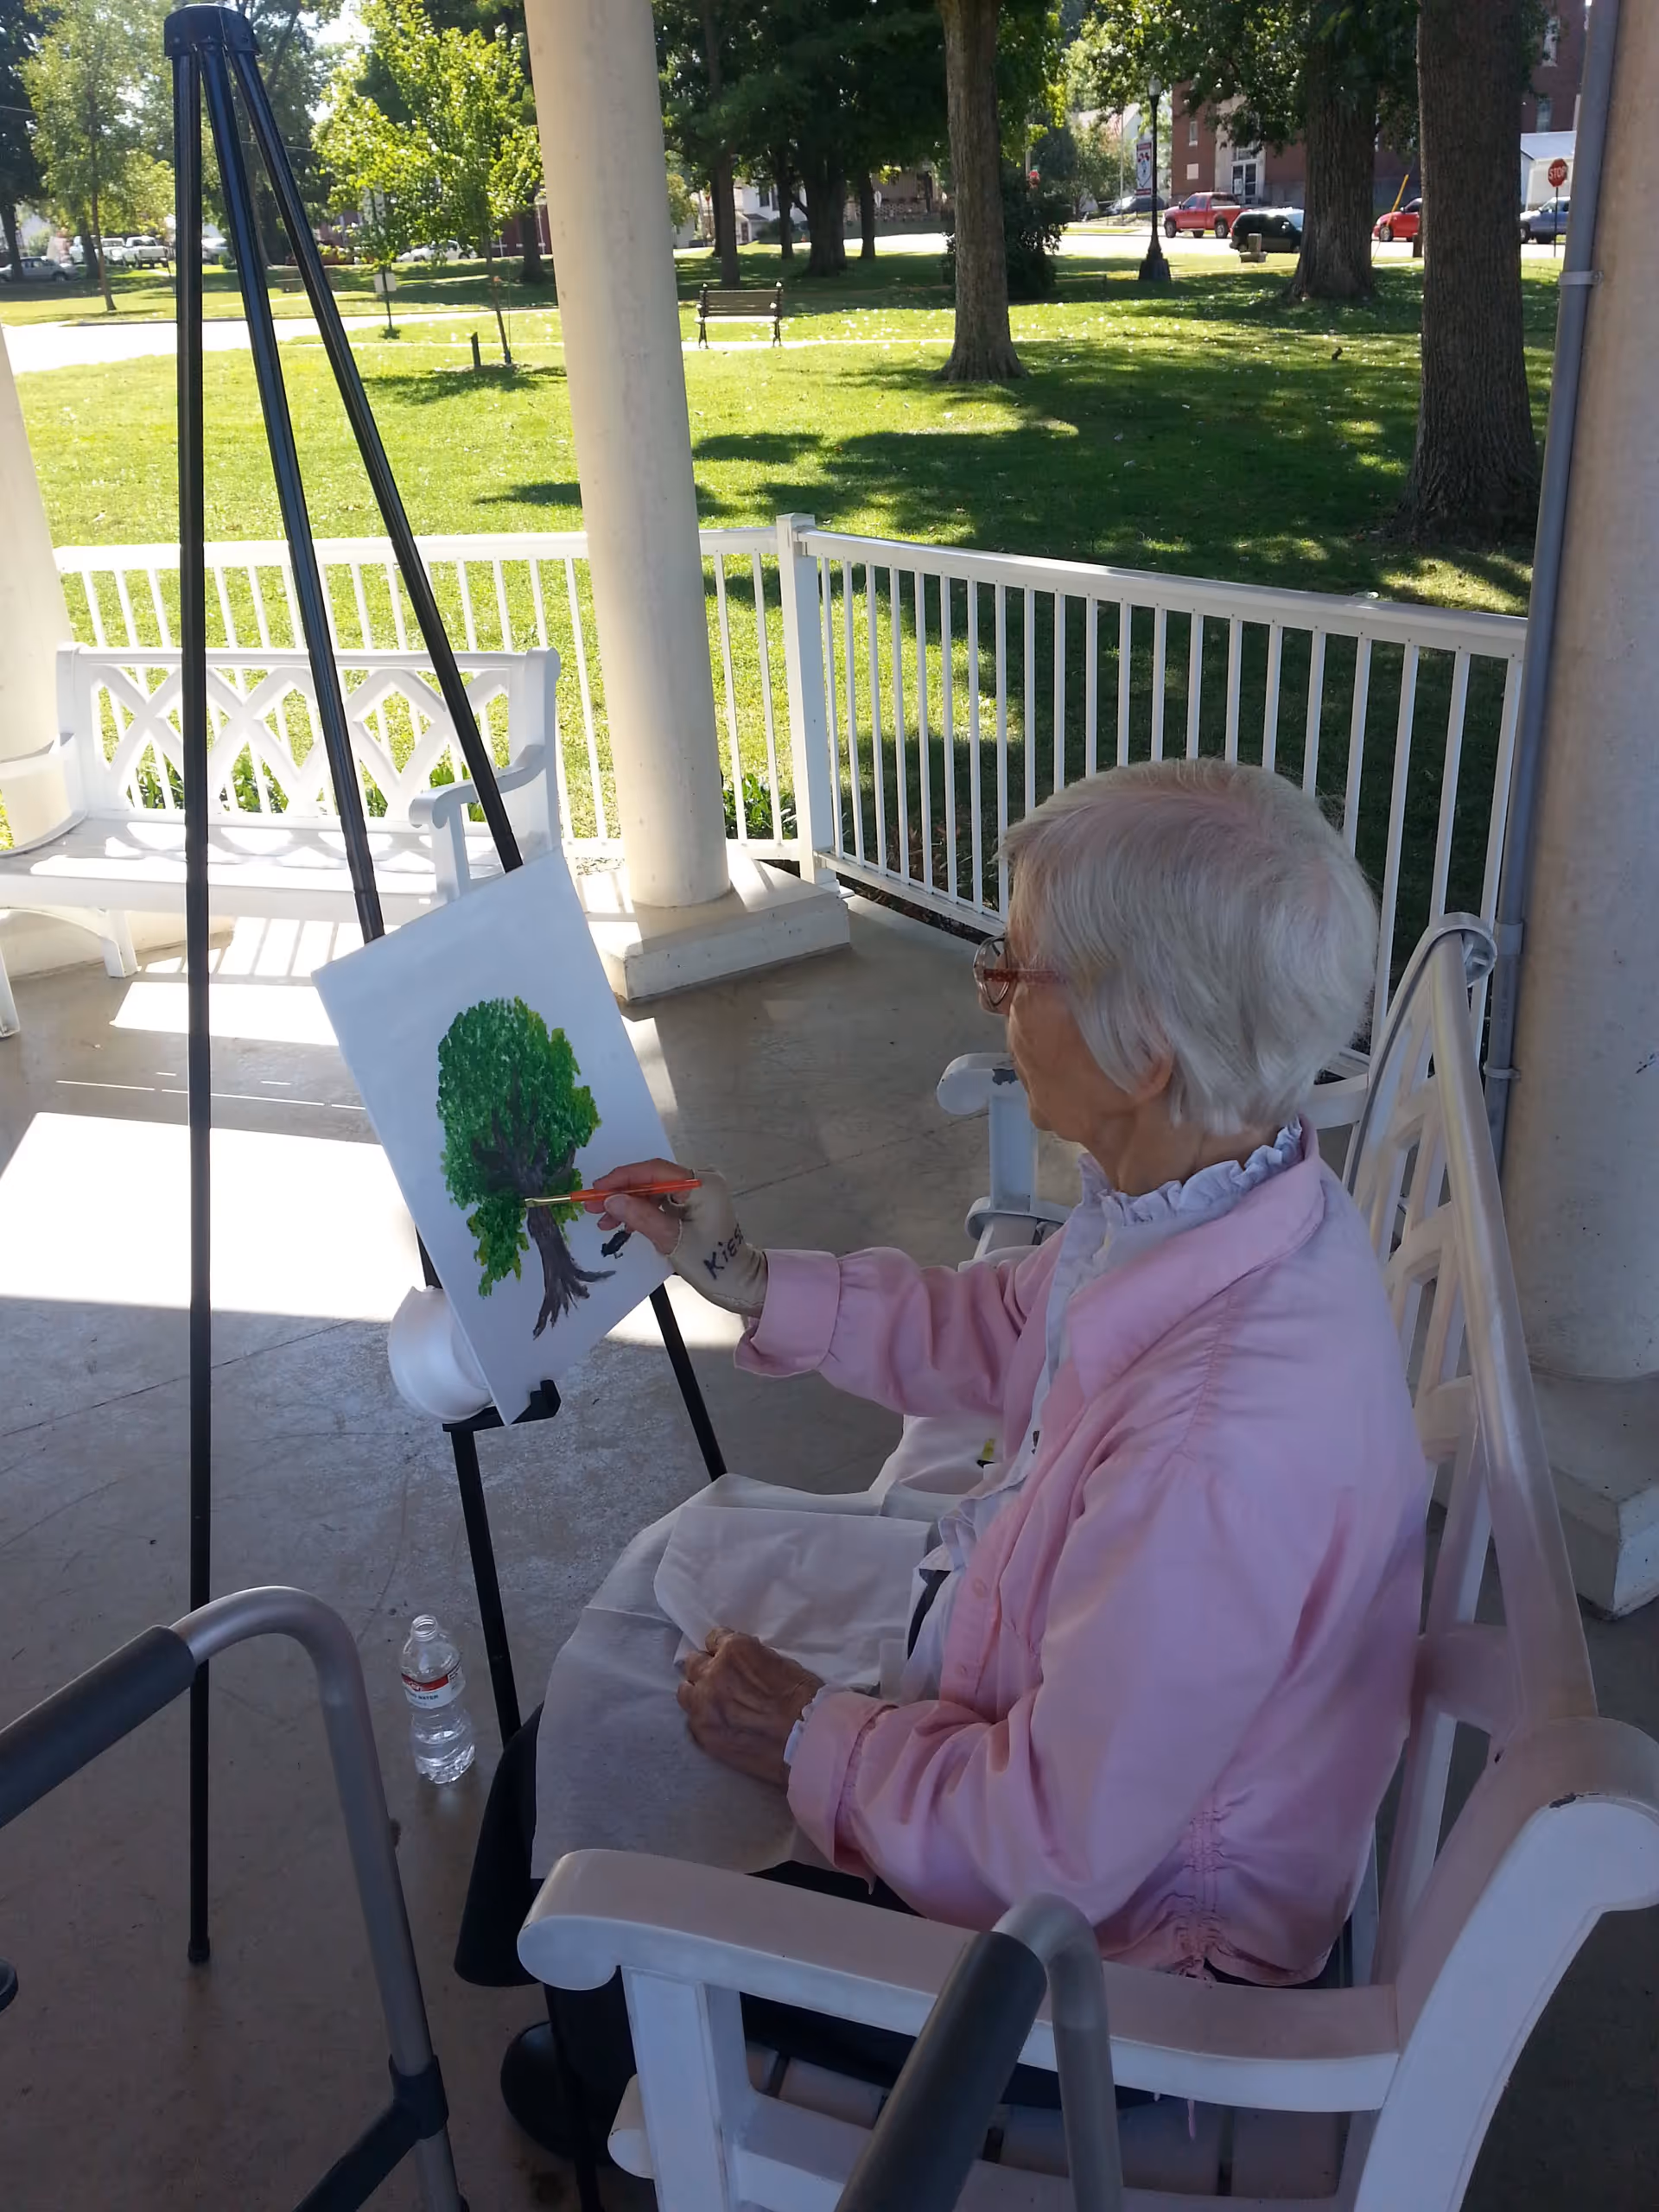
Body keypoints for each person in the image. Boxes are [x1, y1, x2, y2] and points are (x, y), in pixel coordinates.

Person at [455, 759, 1427, 2157]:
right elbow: (1008, 1329)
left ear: (1143, 1048)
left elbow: (1053, 1854)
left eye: (1014, 967)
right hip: (1076, 1798)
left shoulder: (1219, 1443)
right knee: (628, 1673)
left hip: (1121, 1983)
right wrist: (747, 1275)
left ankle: (612, 2047)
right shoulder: (1222, 1193)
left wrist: (806, 1733)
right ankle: (585, 2005)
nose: (991, 987)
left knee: (630, 1774)